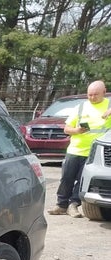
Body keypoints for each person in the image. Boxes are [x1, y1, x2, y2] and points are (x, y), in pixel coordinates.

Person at [48, 80, 111, 218]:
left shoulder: (109, 105)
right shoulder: (81, 107)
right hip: (75, 149)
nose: (92, 97)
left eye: (95, 94)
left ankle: (73, 205)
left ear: (104, 92)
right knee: (66, 178)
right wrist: (77, 130)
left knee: (83, 180)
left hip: (95, 153)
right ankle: (61, 204)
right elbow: (66, 128)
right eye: (90, 94)